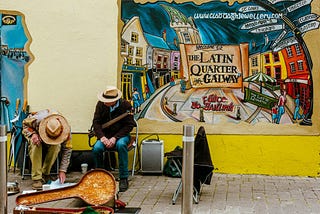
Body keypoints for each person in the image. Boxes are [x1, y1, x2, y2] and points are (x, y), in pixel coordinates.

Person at [92, 86, 136, 192]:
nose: (105, 102)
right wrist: (102, 137)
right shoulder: (100, 105)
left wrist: (115, 138)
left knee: (121, 145)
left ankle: (124, 177)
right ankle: (101, 175)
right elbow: (96, 123)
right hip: (104, 136)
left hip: (121, 136)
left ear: (114, 100)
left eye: (107, 101)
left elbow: (129, 126)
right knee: (97, 148)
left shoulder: (125, 105)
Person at [22, 109, 72, 190]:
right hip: (36, 133)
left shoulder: (66, 131)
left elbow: (67, 150)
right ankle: (37, 178)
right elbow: (25, 125)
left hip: (49, 136)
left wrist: (63, 170)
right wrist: (33, 134)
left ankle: (45, 174)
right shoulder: (37, 120)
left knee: (56, 147)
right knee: (36, 145)